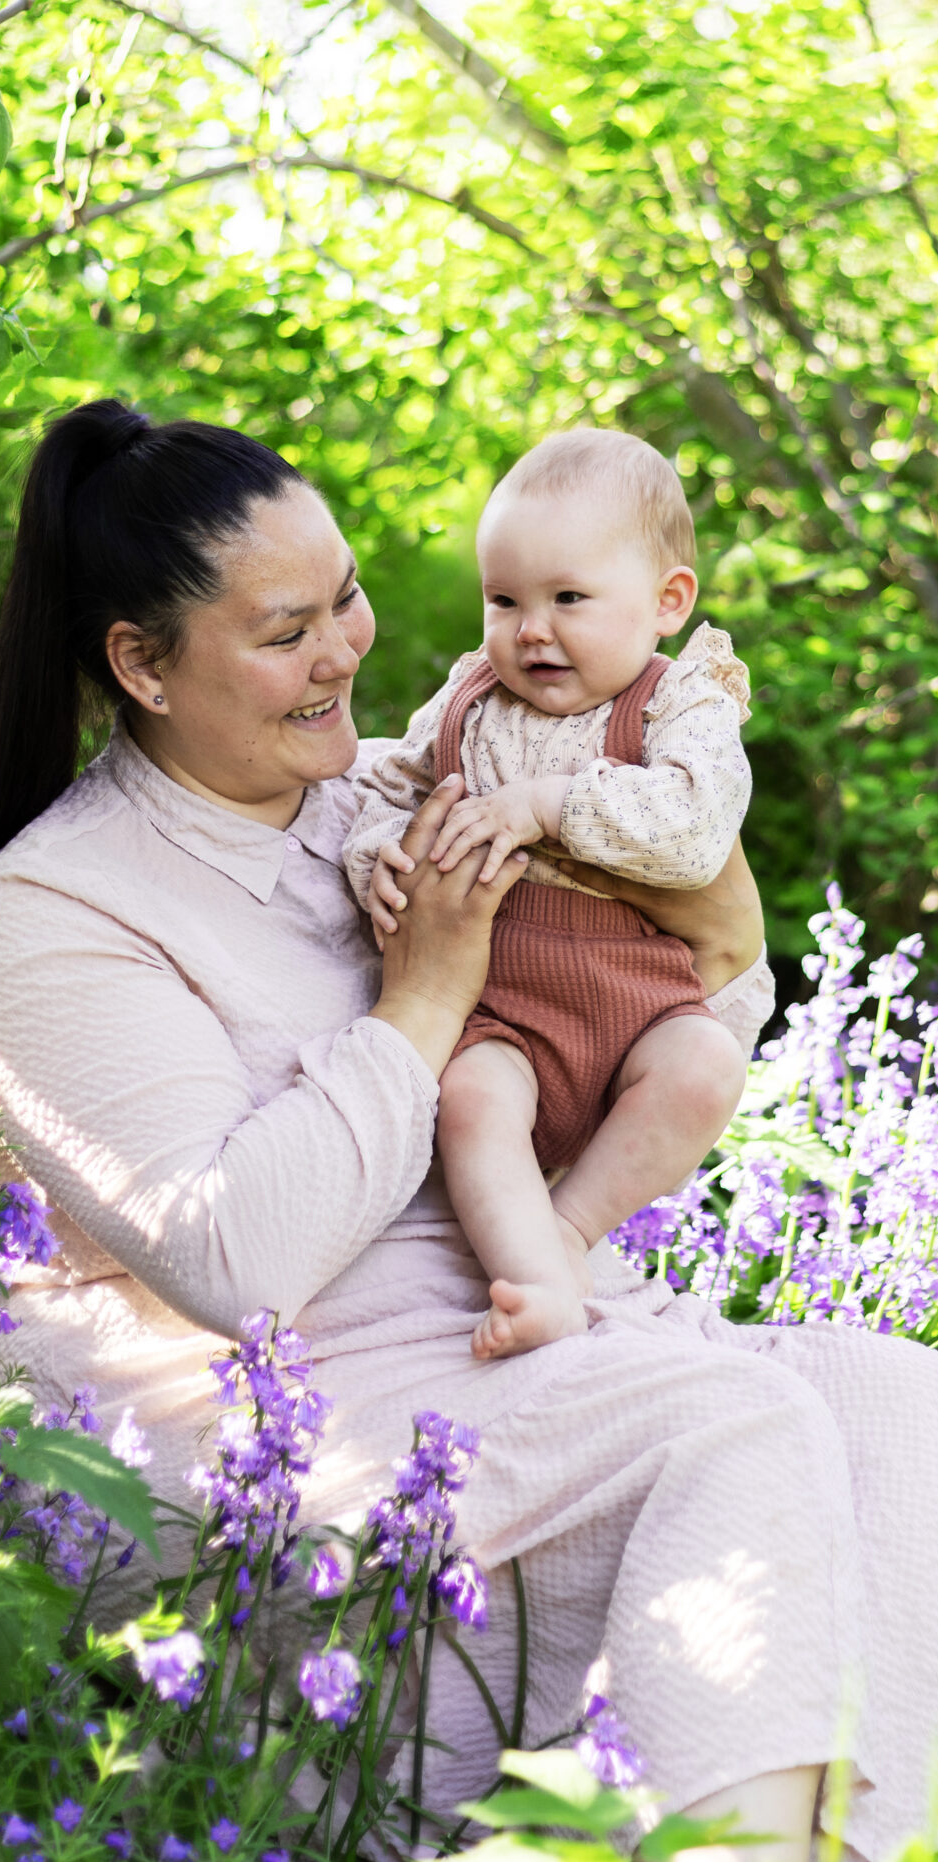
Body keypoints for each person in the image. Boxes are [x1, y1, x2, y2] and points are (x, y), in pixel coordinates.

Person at [0, 398, 938, 1862]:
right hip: (266, 1455)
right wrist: (425, 999)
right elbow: (235, 1261)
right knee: (732, 1429)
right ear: (139, 665)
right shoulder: (49, 917)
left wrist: (714, 944)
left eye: (349, 603)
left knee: (910, 1408)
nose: (344, 653)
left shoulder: (373, 796)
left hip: (489, 1343)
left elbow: (699, 979)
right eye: (286, 631)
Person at [344, 429, 752, 1362]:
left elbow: (697, 829)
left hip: (636, 1005)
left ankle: (568, 1234)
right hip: (501, 1009)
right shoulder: (468, 698)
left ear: (666, 602)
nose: (532, 629)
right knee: (473, 1102)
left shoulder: (680, 703)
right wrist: (381, 858)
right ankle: (534, 1283)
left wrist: (548, 805)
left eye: (569, 598)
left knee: (705, 1068)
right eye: (504, 600)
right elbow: (384, 791)